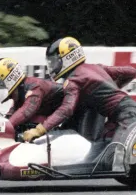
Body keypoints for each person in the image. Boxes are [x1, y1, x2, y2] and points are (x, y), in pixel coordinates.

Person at [23, 36, 136, 170]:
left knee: (117, 161)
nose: (52, 65)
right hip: (118, 114)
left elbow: (66, 109)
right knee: (96, 158)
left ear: (67, 59)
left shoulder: (73, 80)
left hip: (126, 115)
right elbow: (131, 71)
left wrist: (39, 130)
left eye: (55, 61)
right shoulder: (96, 67)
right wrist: (113, 87)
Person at [0, 57, 64, 130]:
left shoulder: (34, 87)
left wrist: (4, 128)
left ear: (9, 78)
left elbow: (25, 112)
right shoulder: (17, 92)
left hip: (73, 118)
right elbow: (12, 114)